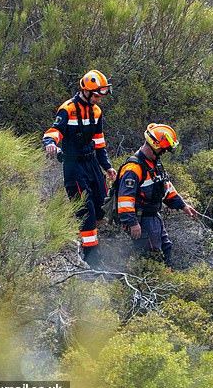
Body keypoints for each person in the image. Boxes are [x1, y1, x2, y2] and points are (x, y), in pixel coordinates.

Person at [43, 69, 117, 269]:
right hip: (73, 165)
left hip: (92, 163)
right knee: (85, 211)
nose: (98, 99)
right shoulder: (67, 109)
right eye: (95, 95)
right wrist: (50, 143)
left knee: (102, 205)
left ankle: (91, 238)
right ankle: (91, 258)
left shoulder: (97, 112)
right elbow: (54, 131)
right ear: (85, 91)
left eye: (100, 96)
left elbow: (99, 143)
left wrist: (107, 167)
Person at [116, 123, 198, 266]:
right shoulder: (134, 168)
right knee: (152, 257)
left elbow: (165, 188)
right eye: (163, 149)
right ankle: (148, 286)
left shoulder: (155, 164)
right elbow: (124, 200)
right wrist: (133, 223)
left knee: (165, 249)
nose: (164, 152)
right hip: (142, 220)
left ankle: (163, 282)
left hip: (154, 217)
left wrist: (183, 205)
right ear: (155, 146)